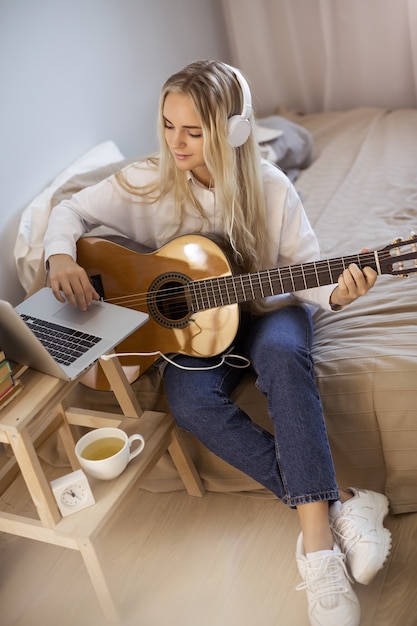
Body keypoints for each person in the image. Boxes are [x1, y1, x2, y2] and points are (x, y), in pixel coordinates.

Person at [44, 60, 391, 626]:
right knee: (190, 402)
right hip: (196, 328)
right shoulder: (147, 181)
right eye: (167, 126)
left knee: (283, 357)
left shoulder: (271, 187)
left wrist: (340, 293)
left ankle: (318, 550)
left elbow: (308, 271)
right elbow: (70, 208)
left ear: (231, 129)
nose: (176, 143)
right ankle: (344, 503)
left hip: (269, 311)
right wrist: (60, 254)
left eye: (193, 131)